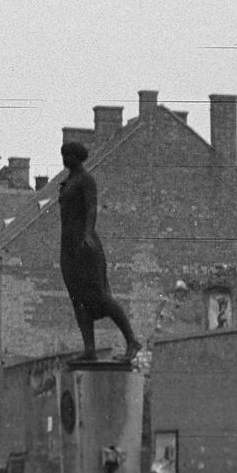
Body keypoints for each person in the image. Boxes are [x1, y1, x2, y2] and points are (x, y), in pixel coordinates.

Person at [58, 141, 142, 363]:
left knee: (100, 296)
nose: (64, 158)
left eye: (68, 154)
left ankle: (132, 340)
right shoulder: (66, 182)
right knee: (77, 299)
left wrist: (87, 233)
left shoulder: (86, 180)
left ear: (78, 157)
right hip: (68, 248)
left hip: (85, 246)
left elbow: (91, 208)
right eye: (63, 154)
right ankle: (89, 349)